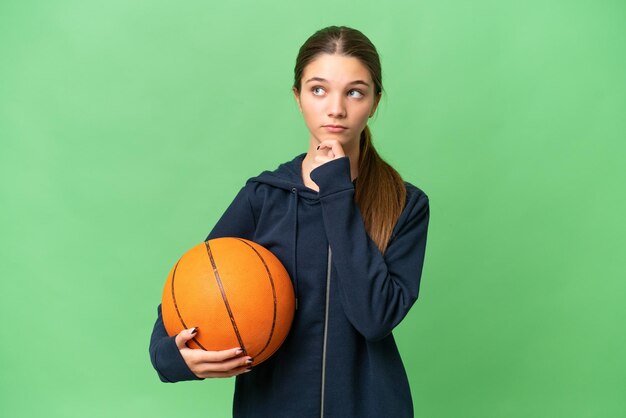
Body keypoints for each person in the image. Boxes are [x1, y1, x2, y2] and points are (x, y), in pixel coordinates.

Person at [149, 25, 430, 418]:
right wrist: (171, 357)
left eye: (355, 91)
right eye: (318, 89)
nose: (336, 108)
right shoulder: (264, 196)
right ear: (298, 97)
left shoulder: (406, 204)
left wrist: (334, 192)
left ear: (375, 101)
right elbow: (192, 286)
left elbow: (374, 318)